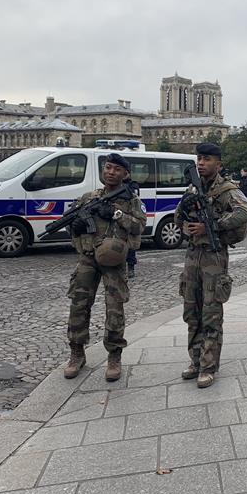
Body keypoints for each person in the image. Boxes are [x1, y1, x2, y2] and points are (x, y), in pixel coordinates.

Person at [63, 153, 147, 382]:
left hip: (113, 261)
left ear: (125, 174)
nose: (111, 172)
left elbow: (139, 226)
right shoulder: (89, 198)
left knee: (114, 308)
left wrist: (116, 214)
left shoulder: (131, 200)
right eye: (108, 167)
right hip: (88, 258)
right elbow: (69, 222)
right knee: (79, 305)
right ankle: (77, 352)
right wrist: (76, 227)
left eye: (116, 169)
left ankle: (114, 356)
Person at [177, 143, 247, 388]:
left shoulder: (228, 189)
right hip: (192, 256)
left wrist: (214, 225)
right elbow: (178, 218)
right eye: (199, 158)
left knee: (210, 314)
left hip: (213, 257)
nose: (201, 163)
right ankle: (195, 360)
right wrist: (185, 215)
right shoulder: (192, 187)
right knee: (191, 312)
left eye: (207, 159)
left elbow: (245, 213)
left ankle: (208, 367)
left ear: (218, 164)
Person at [125, 174, 142, 279]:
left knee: (131, 245)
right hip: (119, 217)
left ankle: (131, 268)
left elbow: (133, 195)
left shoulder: (133, 184)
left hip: (131, 217)